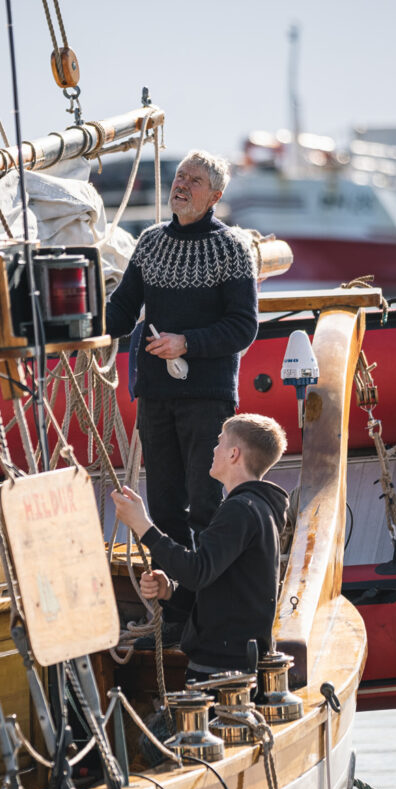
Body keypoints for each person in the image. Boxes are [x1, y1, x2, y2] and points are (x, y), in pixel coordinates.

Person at [106, 150, 258, 628]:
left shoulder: (231, 248)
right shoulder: (150, 244)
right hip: (156, 398)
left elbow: (243, 327)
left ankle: (202, 612)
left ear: (215, 196)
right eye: (179, 177)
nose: (182, 185)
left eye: (194, 181)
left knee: (205, 507)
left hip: (207, 399)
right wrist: (73, 322)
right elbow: (122, 311)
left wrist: (186, 343)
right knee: (167, 506)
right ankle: (174, 614)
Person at [111, 413, 288, 679]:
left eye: (219, 443)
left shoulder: (240, 510)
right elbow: (214, 583)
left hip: (222, 669)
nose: (213, 449)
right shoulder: (255, 508)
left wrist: (143, 526)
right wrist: (170, 590)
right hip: (234, 661)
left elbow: (197, 571)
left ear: (233, 455)